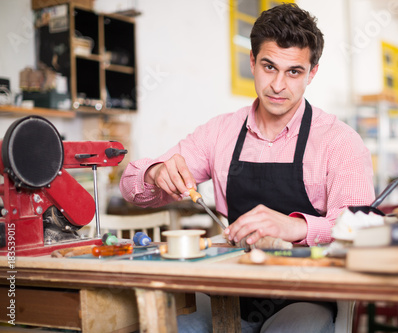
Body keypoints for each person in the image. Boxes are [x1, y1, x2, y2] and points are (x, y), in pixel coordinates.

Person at [120, 3, 374, 332]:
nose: (278, 85)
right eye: (269, 67)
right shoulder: (220, 132)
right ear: (252, 62)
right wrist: (155, 173)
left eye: (294, 71)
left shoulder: (339, 142)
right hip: (231, 291)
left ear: (312, 73)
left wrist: (296, 228)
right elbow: (130, 186)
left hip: (306, 294)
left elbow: (361, 231)